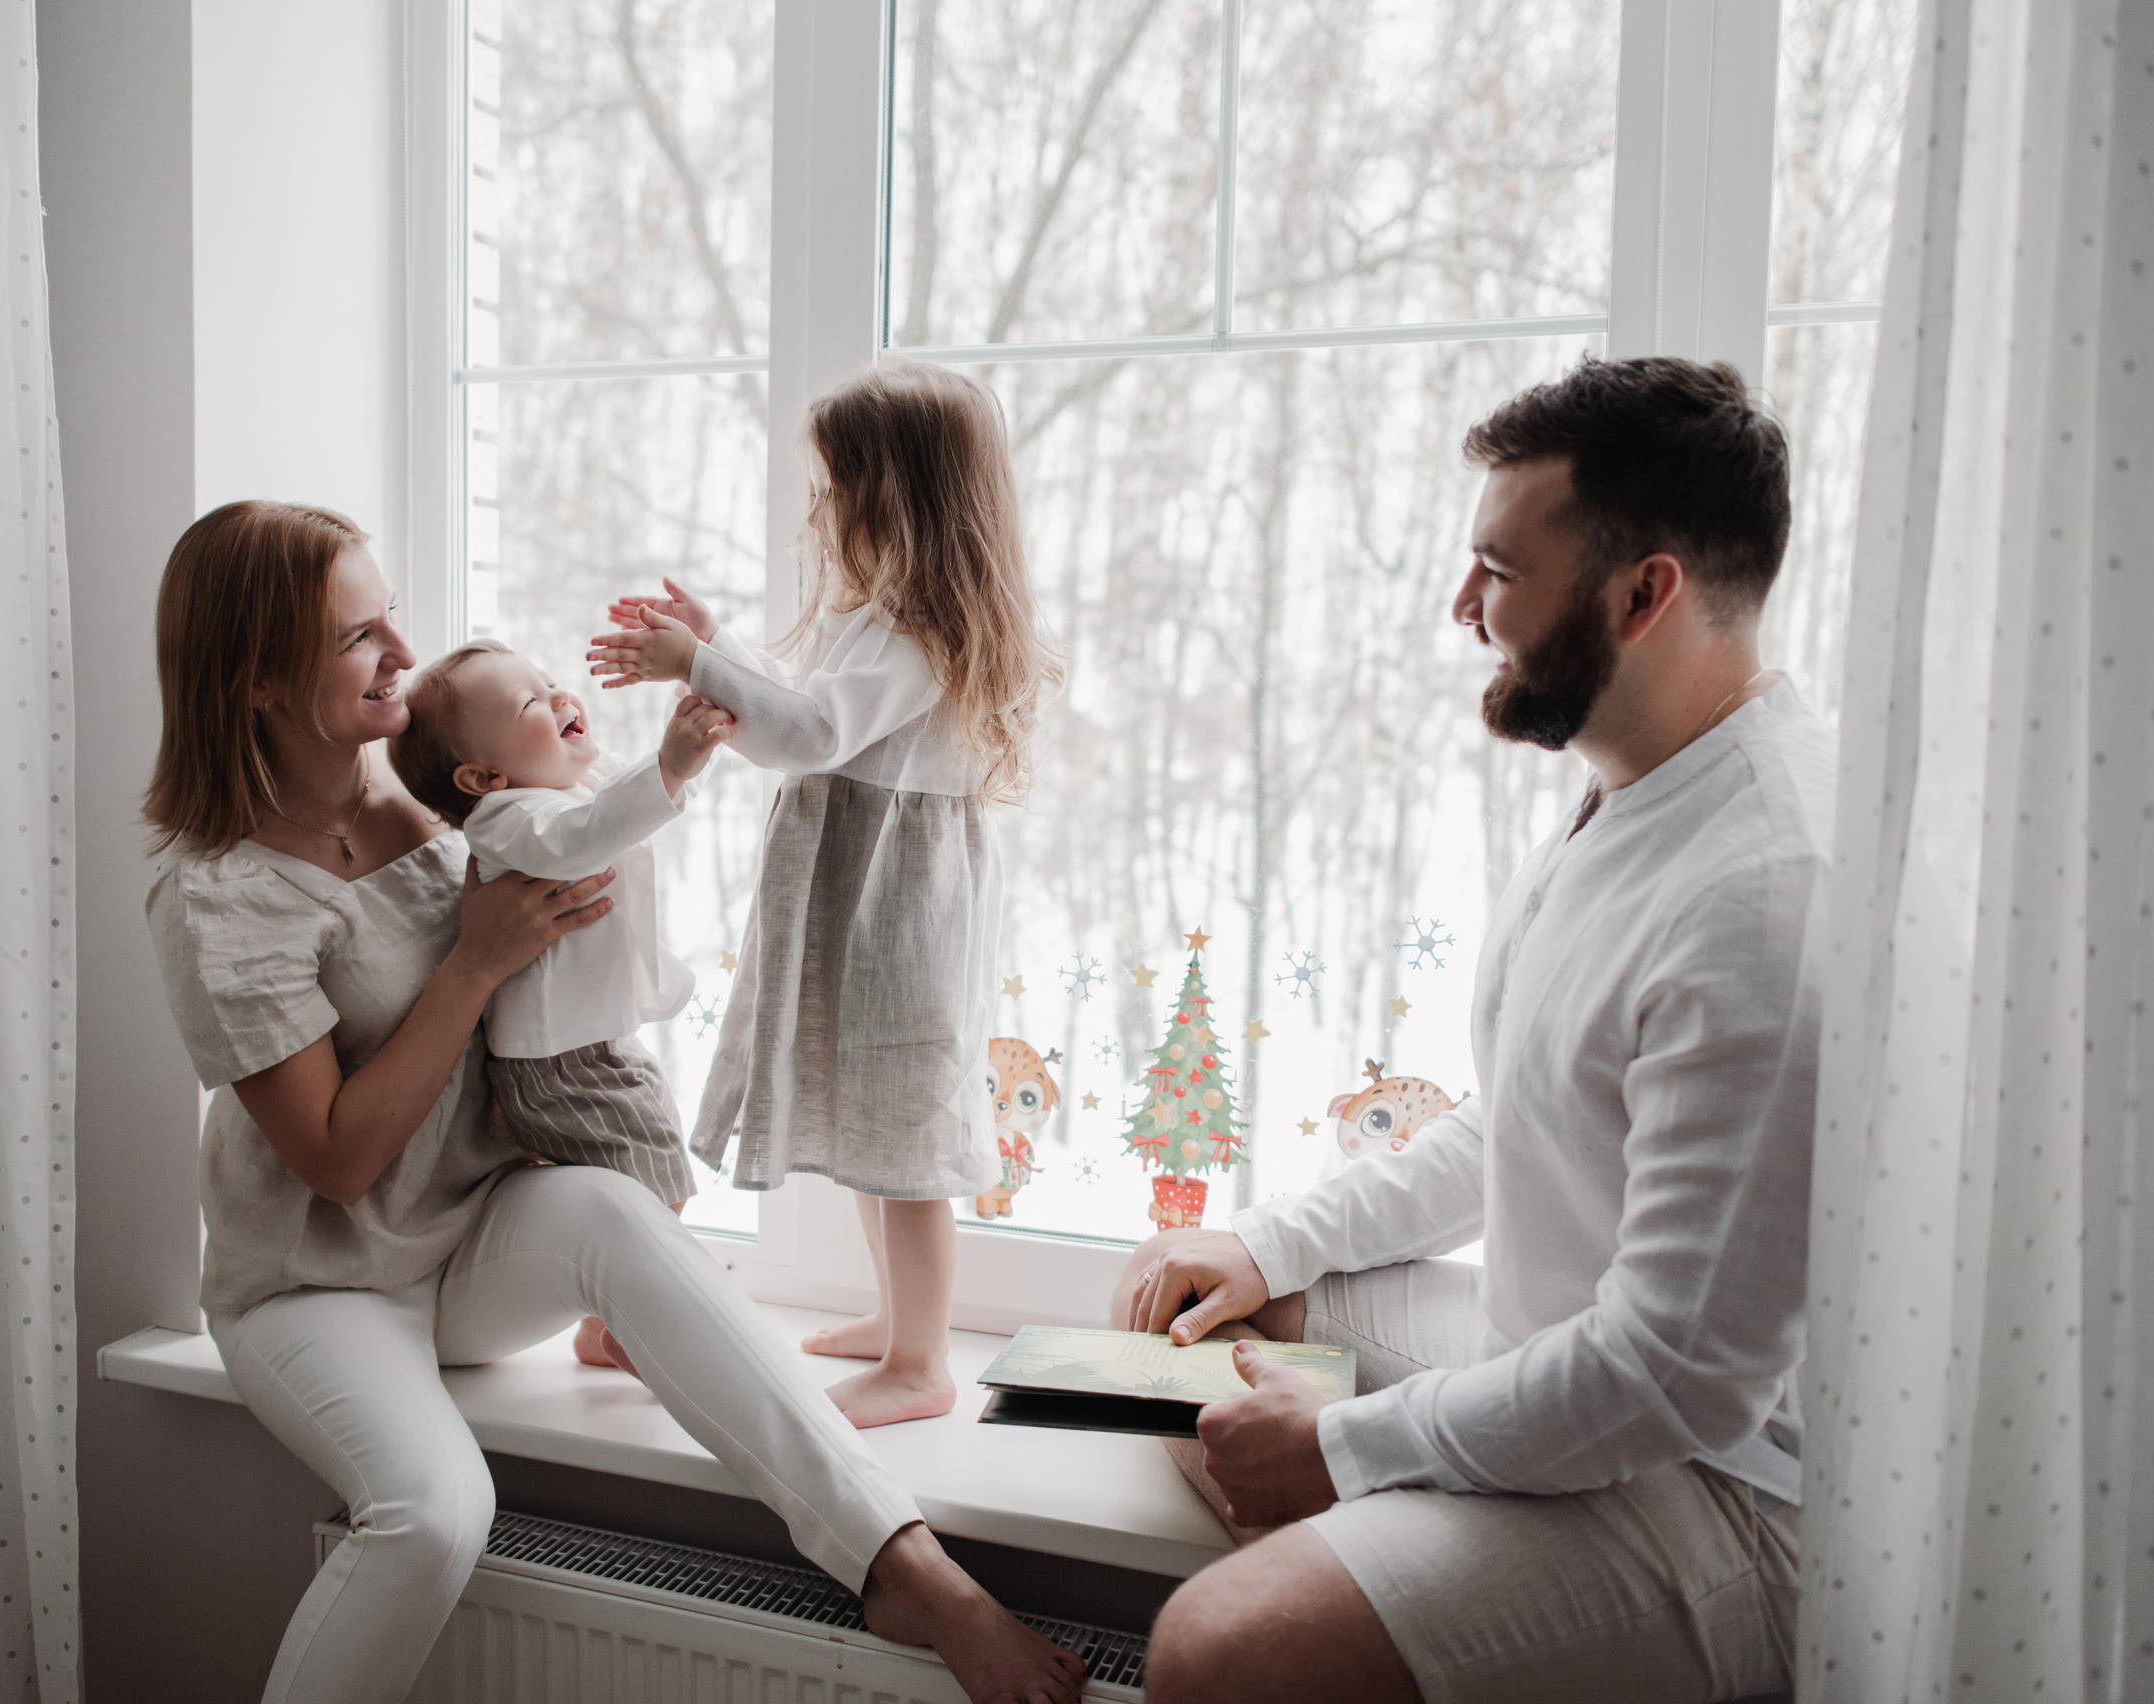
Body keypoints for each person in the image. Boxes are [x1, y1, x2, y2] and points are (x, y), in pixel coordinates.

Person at [142, 499, 1088, 1704]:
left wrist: (709, 679)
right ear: (255, 680)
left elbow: (605, 818)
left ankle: (909, 1570)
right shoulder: (216, 895)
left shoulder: (447, 807)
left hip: (465, 1244)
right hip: (317, 1286)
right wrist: (476, 959)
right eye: (352, 637)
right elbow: (333, 1161)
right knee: (433, 1516)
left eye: (389, 619)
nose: (395, 651)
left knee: (613, 1211)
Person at [1114, 357, 1828, 1704]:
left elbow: (1678, 1378)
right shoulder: (1636, 793)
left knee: (1215, 1650)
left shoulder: (1764, 889)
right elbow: (1533, 1114)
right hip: (1582, 1375)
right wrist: (1269, 1240)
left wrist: (1352, 1447)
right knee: (1214, 1330)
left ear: (1644, 593)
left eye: (1499, 570)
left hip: (1719, 1489)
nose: (1464, 607)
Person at [588, 359, 1063, 1428]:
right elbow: (805, 709)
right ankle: (898, 1328)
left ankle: (921, 1363)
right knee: (870, 1127)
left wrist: (700, 661)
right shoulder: (883, 618)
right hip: (863, 902)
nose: (815, 510)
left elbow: (809, 732)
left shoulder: (919, 633)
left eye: (832, 489)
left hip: (897, 911)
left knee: (904, 1144)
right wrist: (721, 648)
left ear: (896, 501)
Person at [387, 638, 732, 1367]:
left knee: (653, 1170)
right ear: (484, 774)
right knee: (650, 1178)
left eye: (549, 682)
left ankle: (604, 1327)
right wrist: (668, 768)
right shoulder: (508, 821)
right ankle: (623, 1324)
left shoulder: (563, 790)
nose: (561, 697)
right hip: (558, 1058)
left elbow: (626, 801)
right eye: (531, 703)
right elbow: (586, 836)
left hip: (590, 1040)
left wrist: (683, 749)